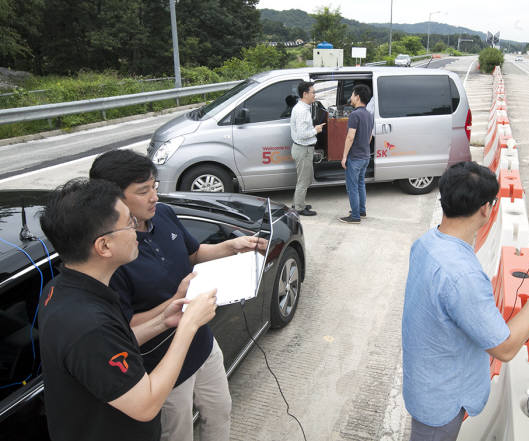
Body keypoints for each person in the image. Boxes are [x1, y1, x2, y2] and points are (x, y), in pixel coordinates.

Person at [89, 150, 264, 441]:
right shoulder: (112, 255)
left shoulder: (165, 215)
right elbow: (125, 328)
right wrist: (176, 303)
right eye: (144, 191)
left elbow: (194, 253)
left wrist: (232, 246)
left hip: (203, 344)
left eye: (155, 187)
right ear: (114, 199)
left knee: (220, 411)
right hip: (160, 366)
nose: (154, 197)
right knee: (177, 433)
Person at [38, 178, 217, 441]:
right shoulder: (87, 324)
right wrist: (189, 325)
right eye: (129, 223)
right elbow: (145, 405)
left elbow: (111, 345)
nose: (137, 230)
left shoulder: (64, 288)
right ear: (104, 246)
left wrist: (163, 322)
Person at [401, 162, 529, 441]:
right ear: (486, 209)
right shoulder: (462, 275)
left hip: (424, 384)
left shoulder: (426, 243)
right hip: (441, 404)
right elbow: (504, 348)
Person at [339, 84, 373, 224]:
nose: (351, 97)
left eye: (352, 95)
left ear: (357, 97)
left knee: (352, 186)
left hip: (355, 157)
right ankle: (361, 210)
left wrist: (344, 156)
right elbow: (370, 136)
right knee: (360, 184)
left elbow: (350, 137)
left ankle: (355, 216)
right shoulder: (369, 115)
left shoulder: (355, 114)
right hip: (365, 156)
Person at [290, 81, 325, 216]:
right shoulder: (301, 111)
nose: (314, 95)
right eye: (313, 92)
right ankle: (298, 208)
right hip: (303, 149)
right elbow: (302, 134)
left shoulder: (302, 108)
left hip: (303, 149)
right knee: (303, 181)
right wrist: (316, 130)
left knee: (305, 179)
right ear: (305, 94)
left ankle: (299, 202)